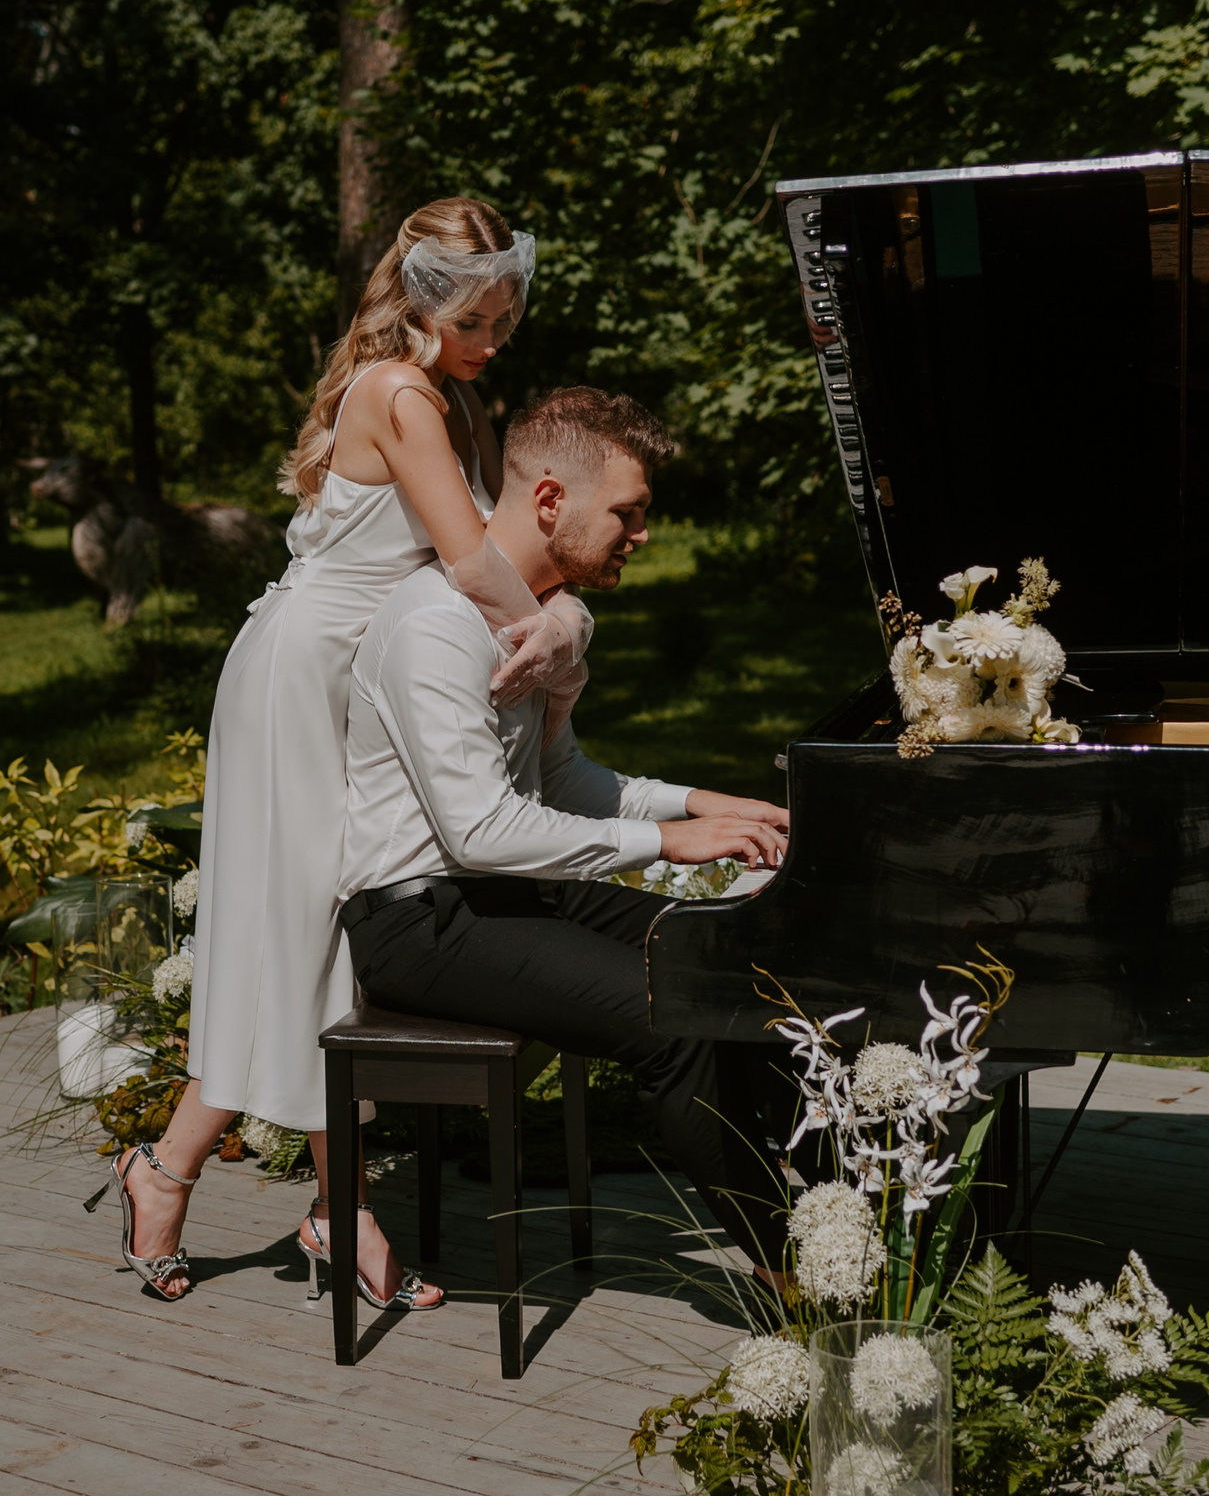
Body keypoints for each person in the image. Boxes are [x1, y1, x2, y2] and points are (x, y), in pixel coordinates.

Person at [100, 198, 591, 1306]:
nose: (496, 336)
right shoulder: (402, 392)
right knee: (298, 931)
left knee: (333, 939)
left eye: (507, 314)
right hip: (299, 679)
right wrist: (558, 640)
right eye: (481, 316)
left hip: (354, 679)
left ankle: (243, 1188)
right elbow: (470, 564)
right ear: (428, 302)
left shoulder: (449, 395)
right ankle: (272, 1195)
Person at [334, 386, 800, 1279]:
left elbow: (560, 783)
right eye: (627, 512)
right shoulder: (436, 626)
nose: (642, 532)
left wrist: (700, 804)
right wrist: (669, 845)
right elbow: (480, 830)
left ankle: (826, 1209)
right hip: (417, 921)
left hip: (499, 895)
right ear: (552, 500)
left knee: (726, 957)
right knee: (673, 1020)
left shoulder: (530, 619)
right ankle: (794, 1271)